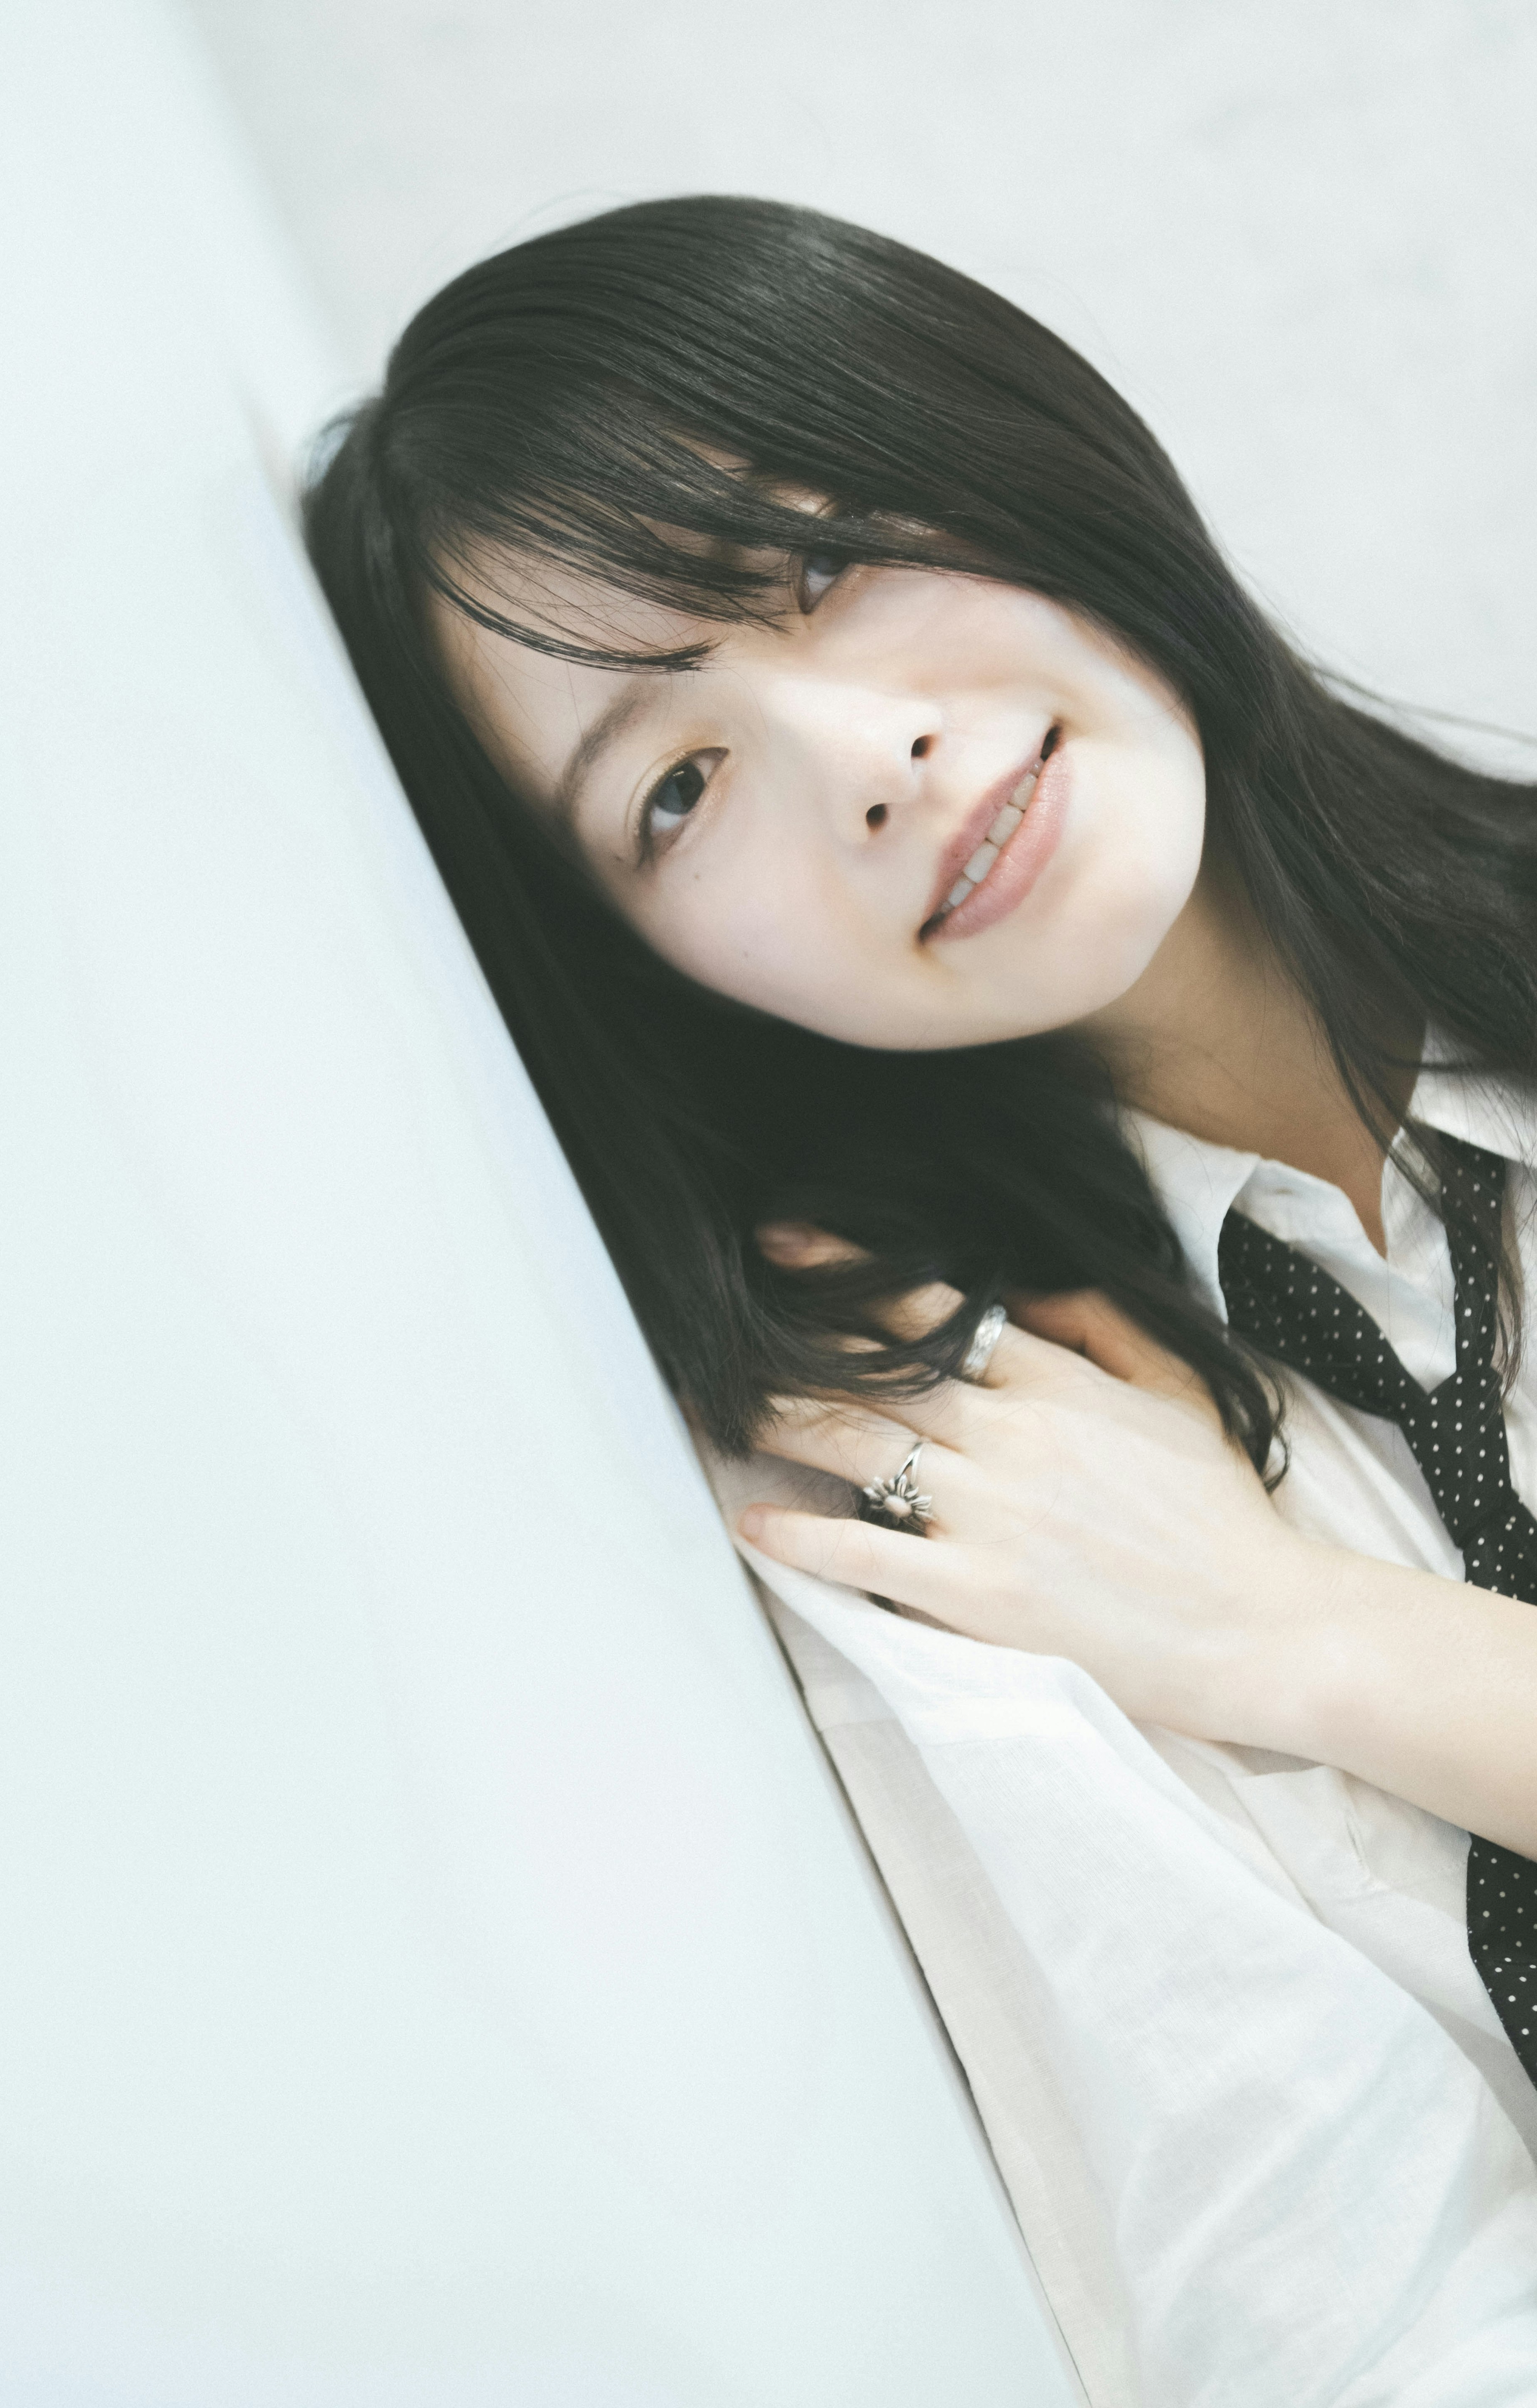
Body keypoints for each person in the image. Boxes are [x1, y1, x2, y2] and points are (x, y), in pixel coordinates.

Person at [302, 194, 1537, 2095]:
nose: (866, 760)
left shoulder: (1161, 1554)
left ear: (997, 437)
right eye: (681, 786)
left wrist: (1308, 1637)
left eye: (829, 559)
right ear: (644, 964)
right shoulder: (934, 1463)